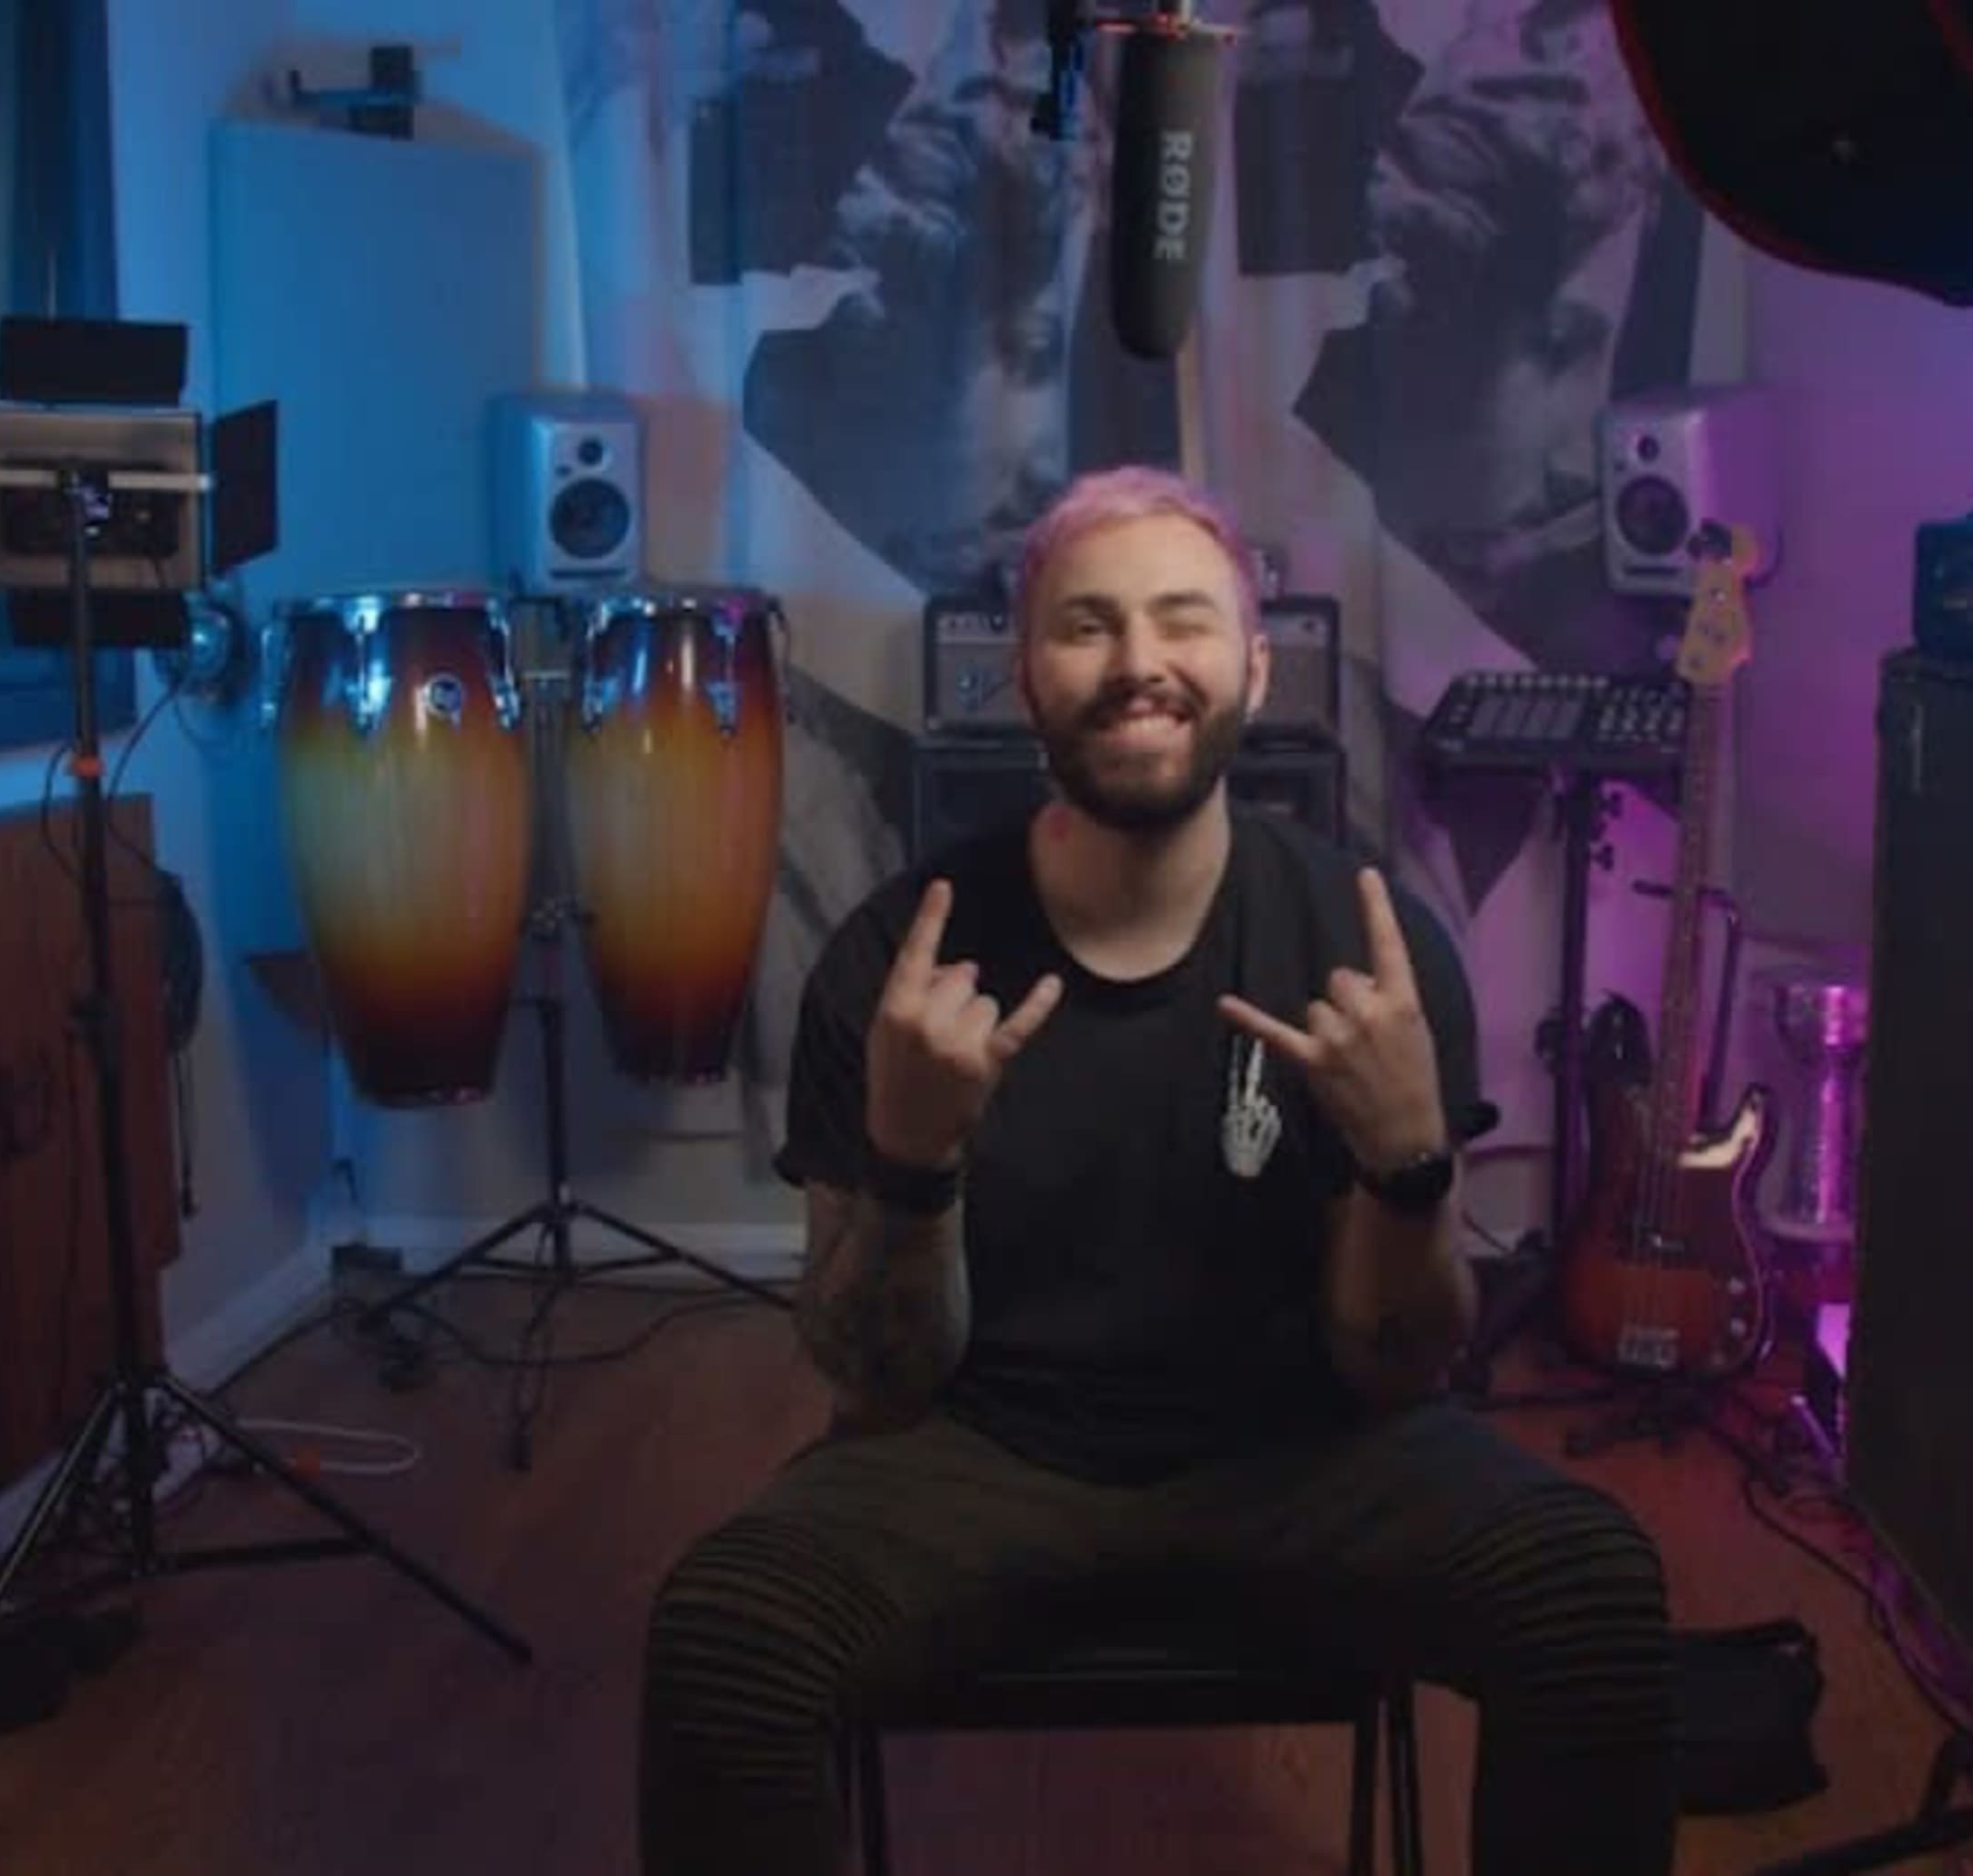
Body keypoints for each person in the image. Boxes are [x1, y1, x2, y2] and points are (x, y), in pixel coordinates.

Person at [637, 467, 1678, 1875]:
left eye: (1183, 622)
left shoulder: (1367, 947)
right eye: (1088, 626)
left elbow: (1395, 1369)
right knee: (723, 1638)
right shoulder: (901, 960)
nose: (1139, 665)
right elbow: (875, 1384)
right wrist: (913, 1165)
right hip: (981, 1455)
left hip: (1305, 1450)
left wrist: (1408, 1168)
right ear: (1022, 674)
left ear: (1254, 664)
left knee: (1589, 1586)